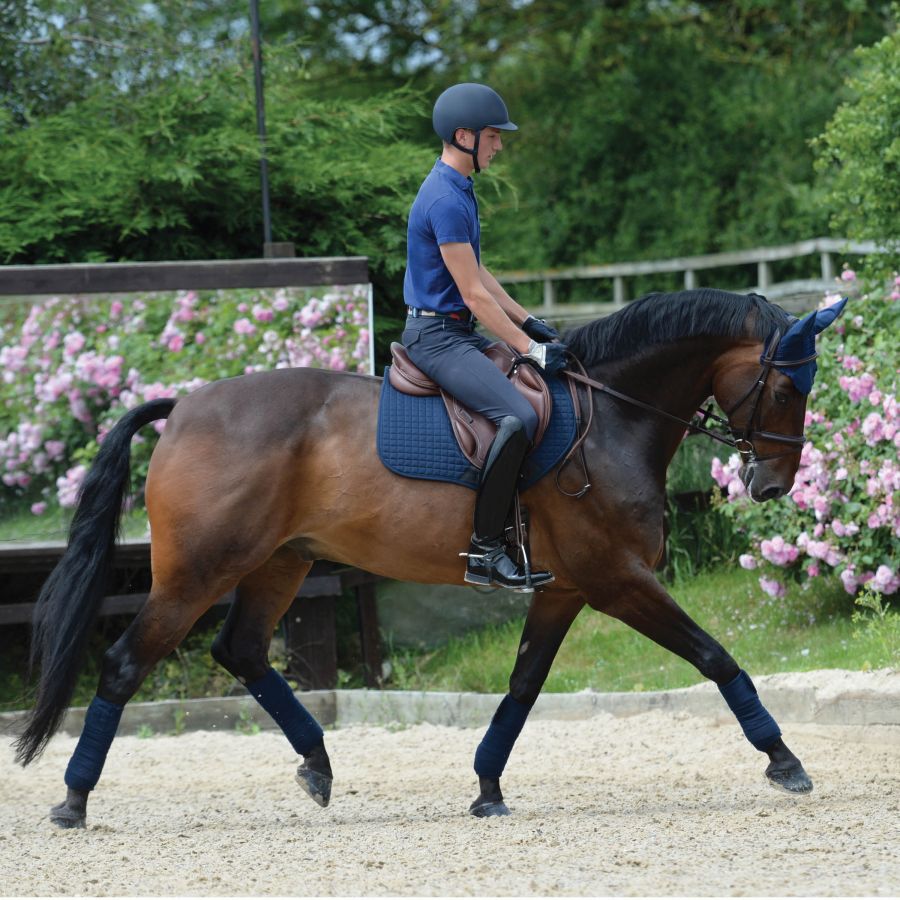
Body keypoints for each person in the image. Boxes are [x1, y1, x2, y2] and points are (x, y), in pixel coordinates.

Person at [401, 82, 568, 591]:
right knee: (515, 417)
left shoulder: (459, 189)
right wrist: (530, 350)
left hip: (457, 333)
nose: (500, 145)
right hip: (435, 339)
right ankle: (484, 551)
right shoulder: (444, 200)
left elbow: (479, 274)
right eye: (494, 136)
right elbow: (473, 295)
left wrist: (527, 320)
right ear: (464, 136)